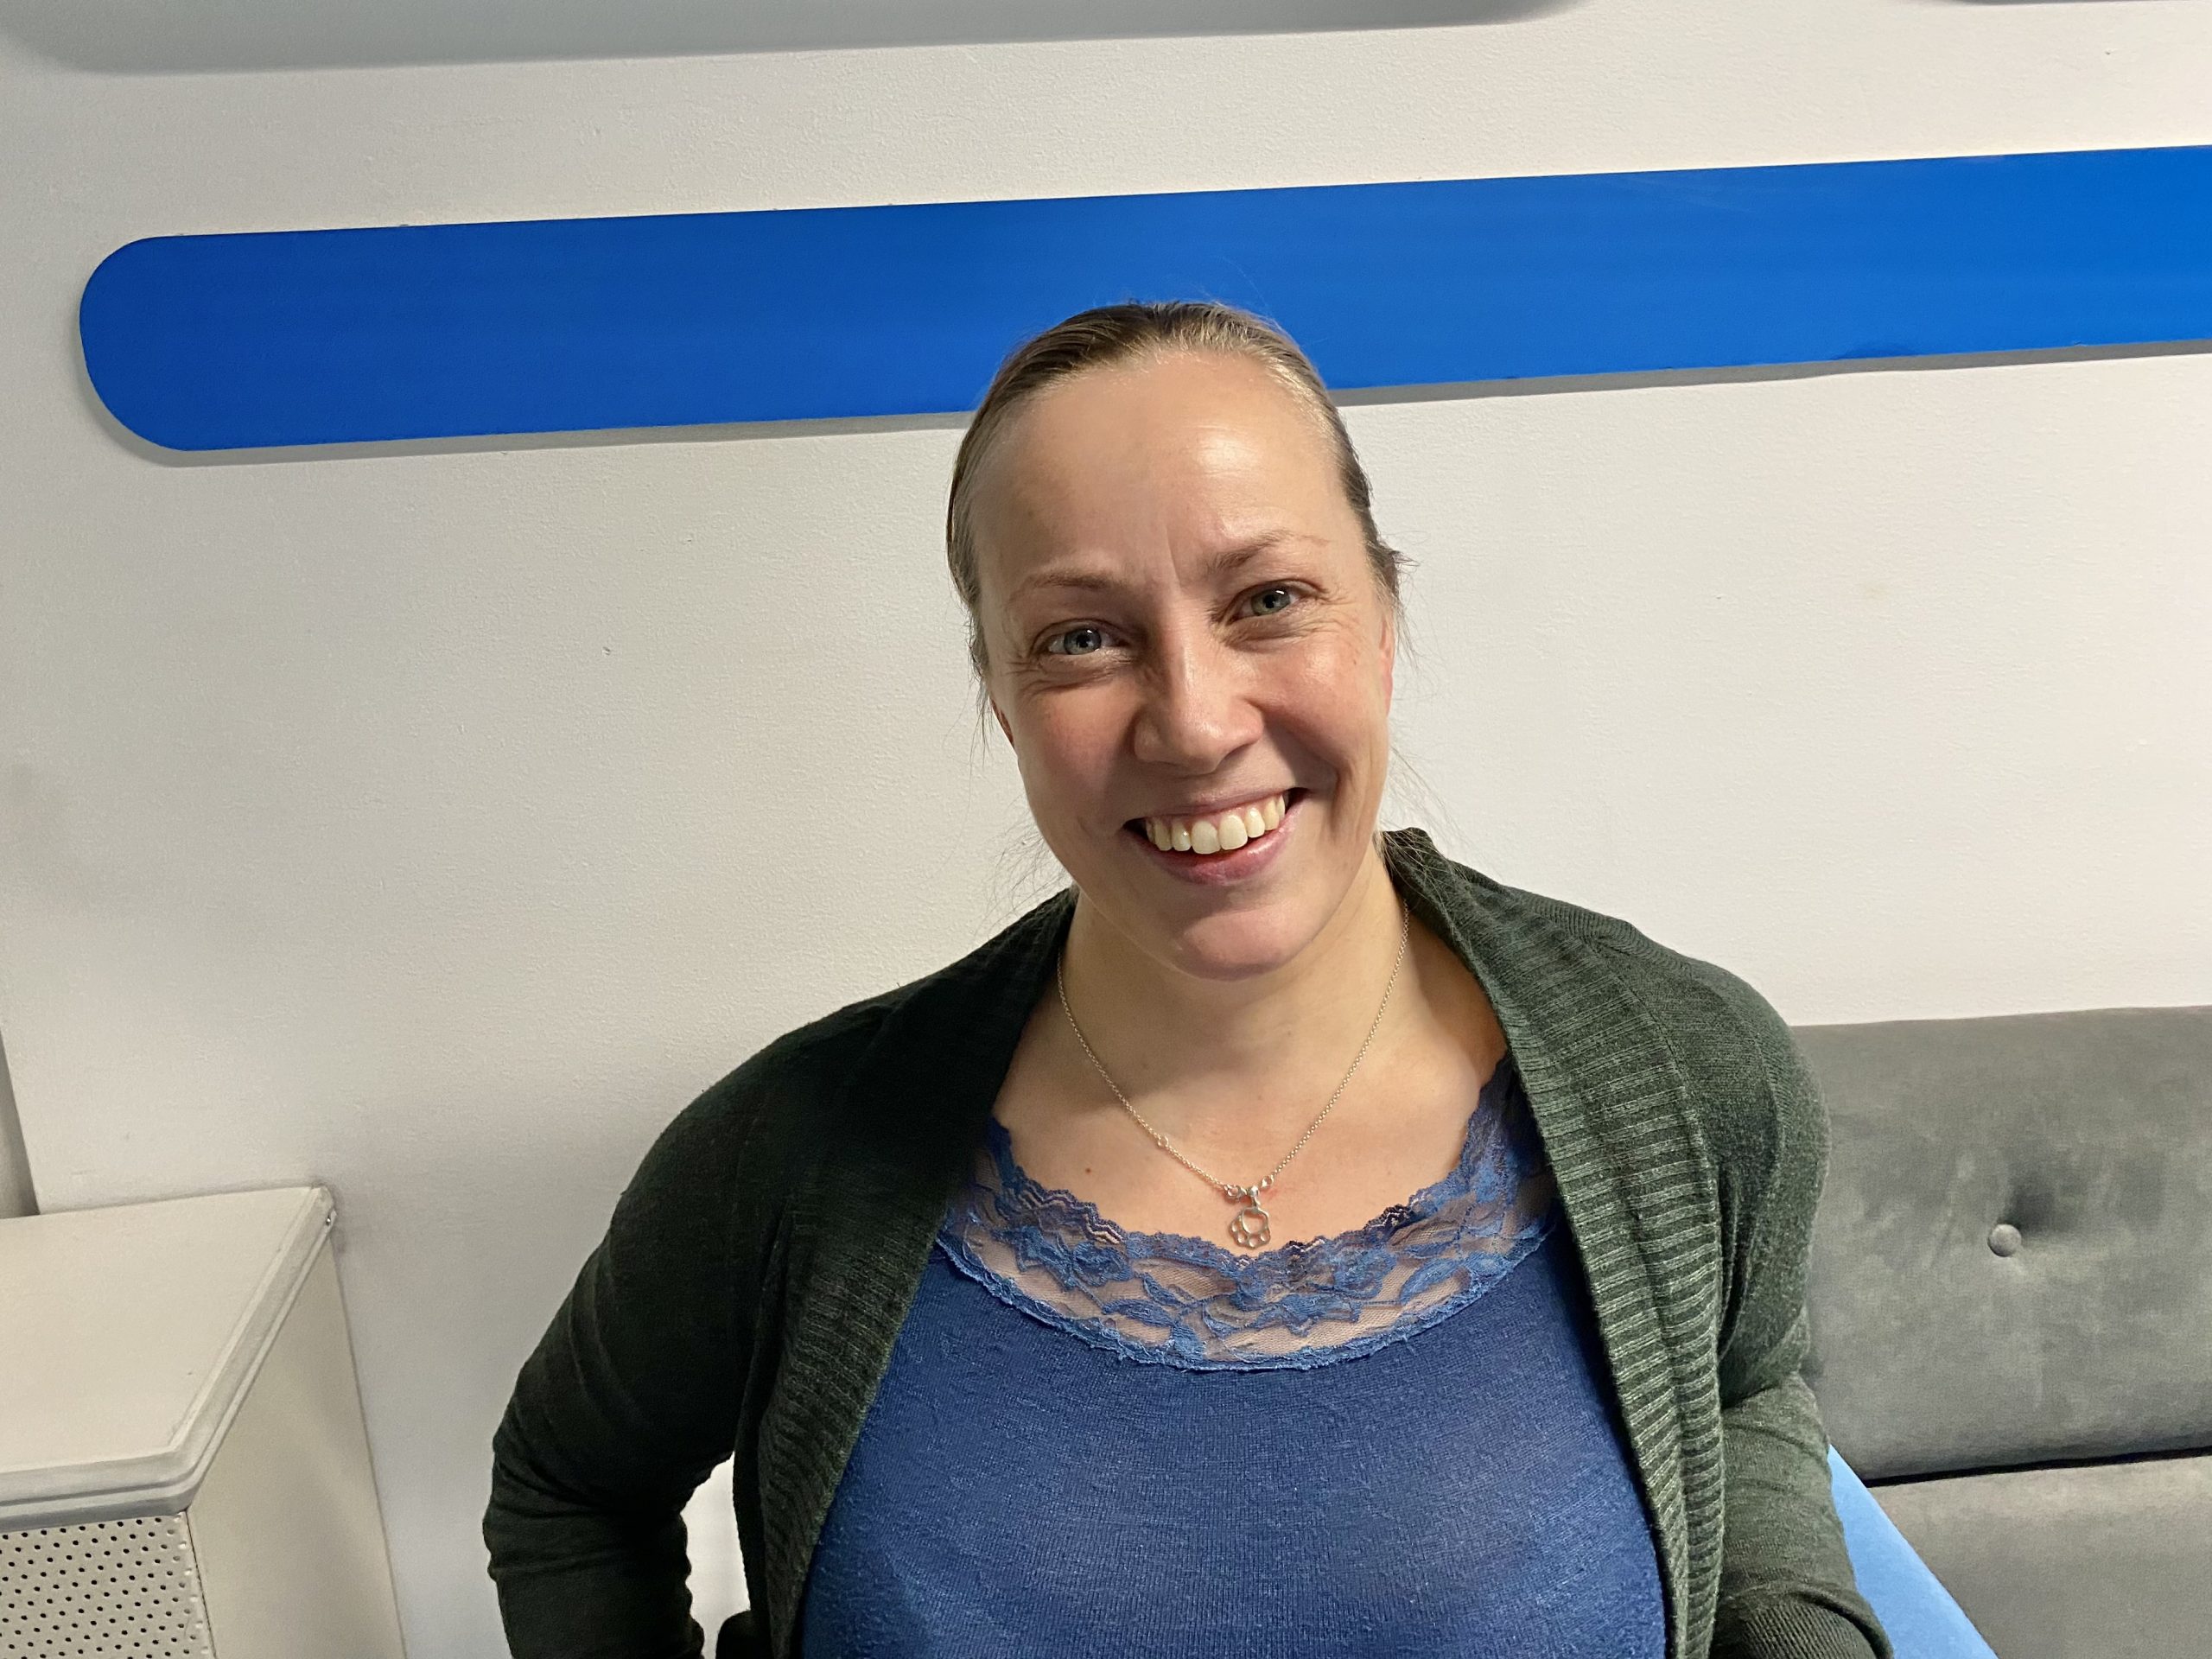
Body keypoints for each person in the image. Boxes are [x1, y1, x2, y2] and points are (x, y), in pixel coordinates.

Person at [482, 300, 1892, 1659]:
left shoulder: (1689, 1070)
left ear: (1383, 621)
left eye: (1269, 600)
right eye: (1081, 637)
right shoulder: (788, 1158)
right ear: (1000, 697)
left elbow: (1744, 1390)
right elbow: (567, 1485)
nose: (1198, 722)